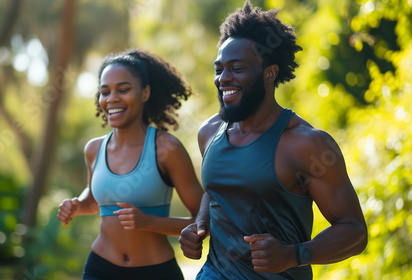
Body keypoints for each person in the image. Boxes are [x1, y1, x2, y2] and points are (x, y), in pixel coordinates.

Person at [178, 1, 368, 279]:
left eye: (237, 68)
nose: (223, 78)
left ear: (269, 73)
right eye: (219, 69)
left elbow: (354, 231)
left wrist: (295, 254)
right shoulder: (209, 133)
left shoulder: (307, 145)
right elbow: (216, 189)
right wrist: (199, 224)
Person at [57, 49, 204, 280]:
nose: (112, 98)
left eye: (123, 90)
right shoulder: (94, 150)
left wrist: (150, 222)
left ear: (145, 93)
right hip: (100, 268)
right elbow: (97, 203)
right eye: (105, 92)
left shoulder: (166, 149)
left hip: (156, 272)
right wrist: (76, 206)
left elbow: (204, 219)